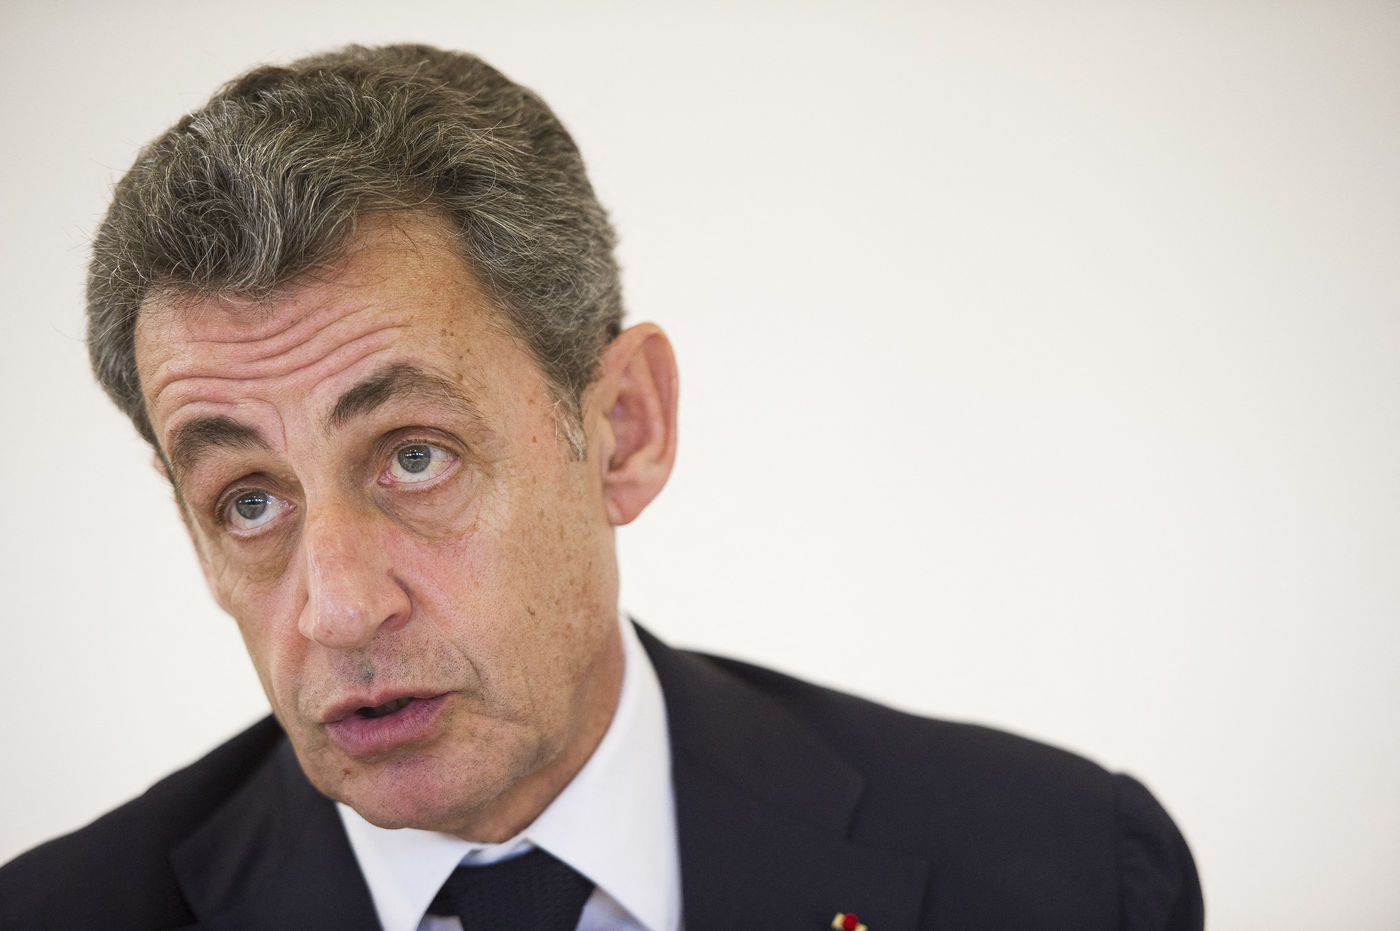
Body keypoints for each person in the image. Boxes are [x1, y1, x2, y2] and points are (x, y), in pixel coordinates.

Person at [0, 43, 1202, 930]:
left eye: (414, 455)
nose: (340, 608)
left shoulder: (1065, 874)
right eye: (250, 499)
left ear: (624, 428)